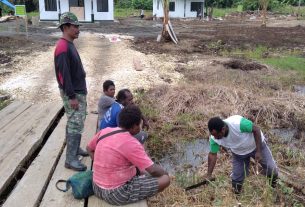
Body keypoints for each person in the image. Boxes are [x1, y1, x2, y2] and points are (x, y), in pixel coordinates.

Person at [86, 105, 170, 205]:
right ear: (135, 126)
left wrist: (102, 165)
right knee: (165, 179)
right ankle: (141, 196)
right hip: (116, 194)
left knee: (141, 169)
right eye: (140, 123)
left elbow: (89, 149)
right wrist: (166, 173)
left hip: (96, 187)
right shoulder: (131, 143)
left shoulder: (105, 131)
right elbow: (152, 169)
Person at [205, 115, 278, 194]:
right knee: (236, 180)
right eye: (213, 135)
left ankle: (273, 189)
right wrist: (209, 175)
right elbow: (213, 155)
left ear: (223, 129)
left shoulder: (237, 123)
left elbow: (256, 130)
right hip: (239, 154)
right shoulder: (214, 138)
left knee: (271, 169)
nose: (215, 138)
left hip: (256, 146)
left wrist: (258, 151)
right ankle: (237, 200)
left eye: (217, 135)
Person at [54, 12, 88, 171]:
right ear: (65, 27)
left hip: (78, 91)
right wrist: (72, 96)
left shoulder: (69, 44)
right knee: (75, 123)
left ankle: (74, 150)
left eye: (78, 26)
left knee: (76, 122)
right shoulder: (62, 47)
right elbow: (63, 76)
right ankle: (70, 159)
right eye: (75, 26)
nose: (78, 29)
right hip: (73, 93)